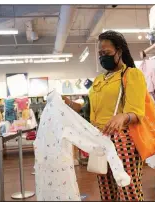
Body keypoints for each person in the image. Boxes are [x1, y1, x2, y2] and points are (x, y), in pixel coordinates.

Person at [63, 31, 147, 201]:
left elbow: (137, 112)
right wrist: (71, 104)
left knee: (128, 189)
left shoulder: (131, 75)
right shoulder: (99, 80)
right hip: (100, 138)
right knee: (106, 189)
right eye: (100, 53)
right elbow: (89, 108)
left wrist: (123, 117)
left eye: (106, 53)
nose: (102, 57)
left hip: (123, 139)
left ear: (119, 51)